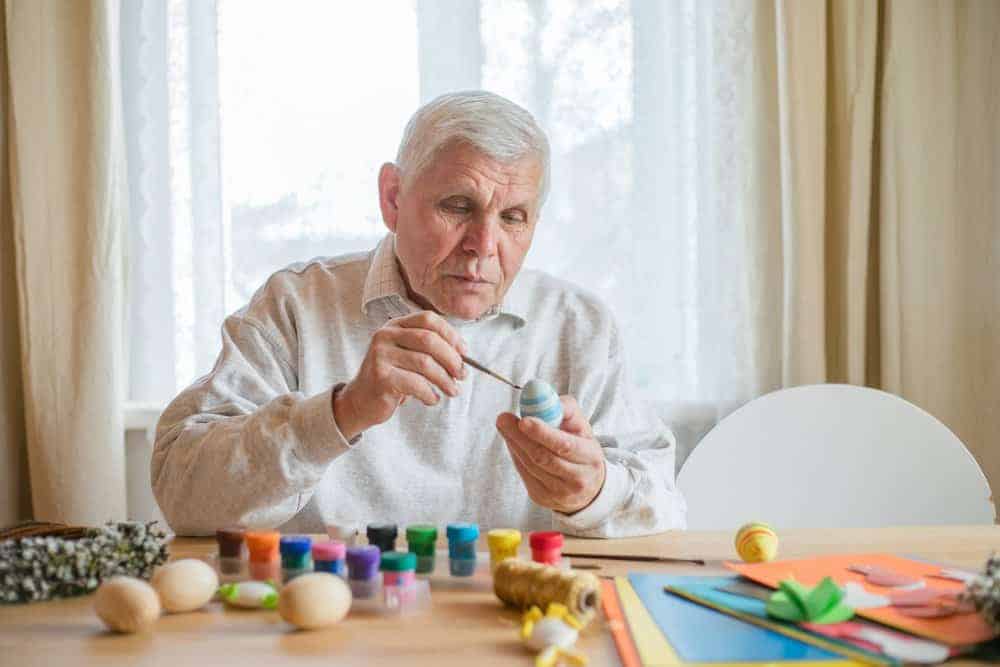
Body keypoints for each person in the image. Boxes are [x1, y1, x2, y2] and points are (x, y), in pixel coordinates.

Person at [151, 90, 686, 537]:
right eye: (458, 206)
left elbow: (669, 510)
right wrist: (340, 412)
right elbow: (183, 494)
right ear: (392, 197)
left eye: (514, 217)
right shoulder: (296, 306)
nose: (484, 245)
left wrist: (592, 493)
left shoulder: (578, 327)